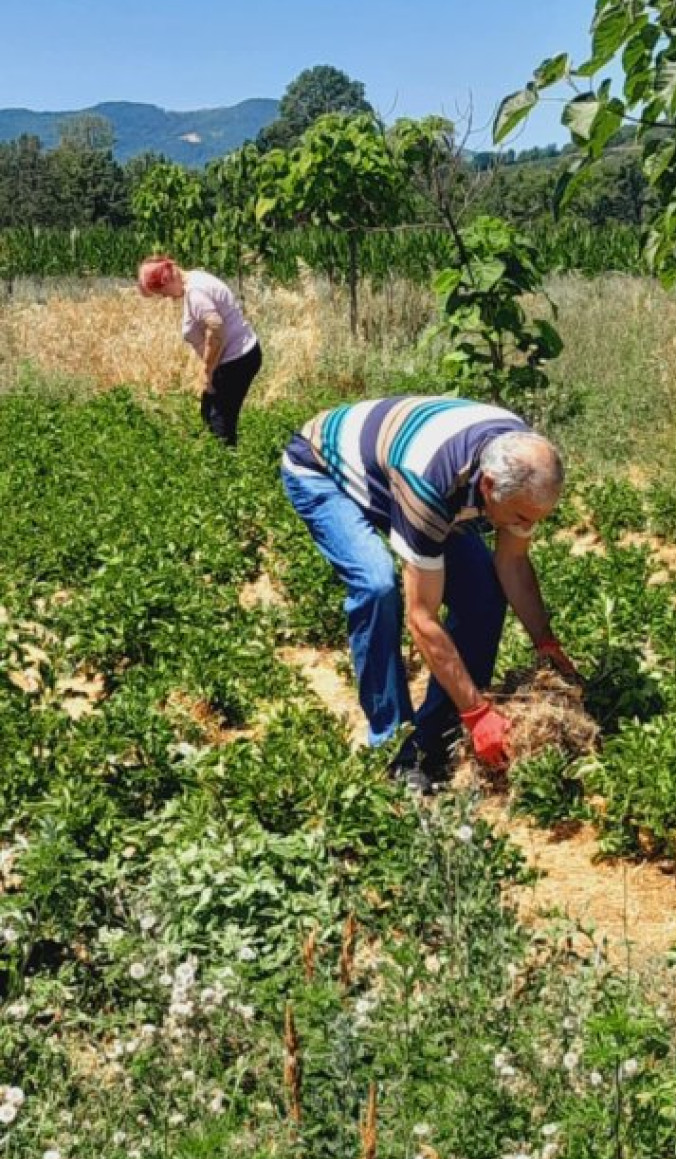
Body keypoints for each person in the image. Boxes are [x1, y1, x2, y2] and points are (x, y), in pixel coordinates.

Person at [280, 392, 579, 783]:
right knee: (377, 586)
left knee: (484, 596)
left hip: (398, 468)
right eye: (522, 517)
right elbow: (421, 617)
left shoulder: (524, 463)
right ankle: (395, 749)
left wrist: (545, 642)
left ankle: (438, 740)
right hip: (323, 467)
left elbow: (513, 563)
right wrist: (477, 711)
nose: (527, 526)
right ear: (488, 486)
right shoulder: (430, 485)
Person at [137, 256, 262, 446]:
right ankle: (220, 457)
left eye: (161, 292)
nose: (165, 297)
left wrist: (207, 370)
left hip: (236, 360)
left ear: (167, 279)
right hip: (236, 357)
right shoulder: (194, 279)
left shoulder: (196, 293)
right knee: (210, 414)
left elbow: (216, 329)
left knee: (219, 423)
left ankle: (226, 462)